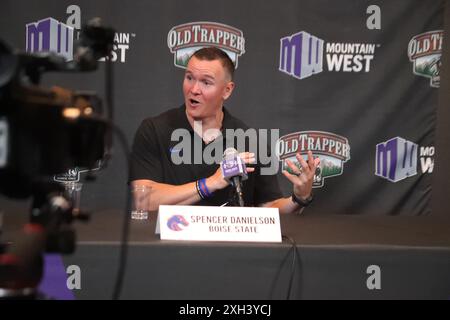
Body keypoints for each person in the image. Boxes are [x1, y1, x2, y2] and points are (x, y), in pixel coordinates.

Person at [129, 47, 320, 214]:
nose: (194, 89)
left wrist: (298, 198)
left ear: (227, 90)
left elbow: (269, 208)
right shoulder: (155, 130)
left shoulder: (249, 140)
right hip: (169, 249)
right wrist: (211, 183)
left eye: (206, 82)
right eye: (189, 78)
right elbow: (143, 200)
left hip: (229, 251)